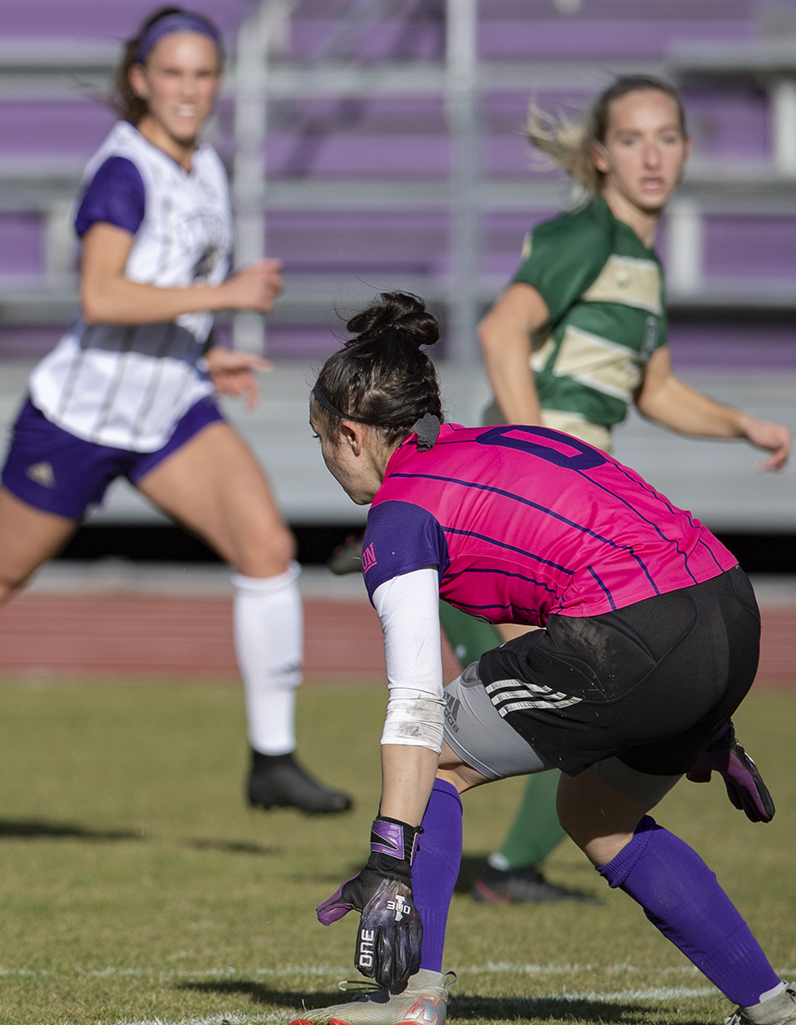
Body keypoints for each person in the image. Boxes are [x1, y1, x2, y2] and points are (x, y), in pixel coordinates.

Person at [0, 6, 352, 815]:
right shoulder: (123, 171)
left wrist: (202, 347)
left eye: (204, 74)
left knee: (265, 548)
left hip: (167, 409)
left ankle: (272, 757)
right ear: (140, 80)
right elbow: (102, 292)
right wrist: (225, 295)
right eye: (174, 74)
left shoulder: (207, 165)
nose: (190, 90)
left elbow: (168, 280)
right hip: (80, 419)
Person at [290, 293, 784, 1025]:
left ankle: (409, 1000)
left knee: (439, 756)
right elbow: (629, 544)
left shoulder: (400, 515)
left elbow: (416, 707)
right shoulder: (502, 444)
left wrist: (390, 859)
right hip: (730, 607)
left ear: (355, 436)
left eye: (321, 438)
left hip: (640, 632)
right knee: (598, 815)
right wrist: (704, 713)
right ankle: (772, 1006)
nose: (326, 457)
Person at [456, 74, 790, 904]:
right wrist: (531, 460)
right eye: (634, 139)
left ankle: (501, 865)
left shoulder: (638, 260)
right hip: (536, 508)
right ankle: (488, 870)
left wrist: (739, 423)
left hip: (575, 507)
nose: (653, 155)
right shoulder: (590, 236)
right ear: (601, 156)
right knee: (555, 692)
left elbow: (657, 391)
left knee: (566, 688)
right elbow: (501, 329)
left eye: (667, 137)